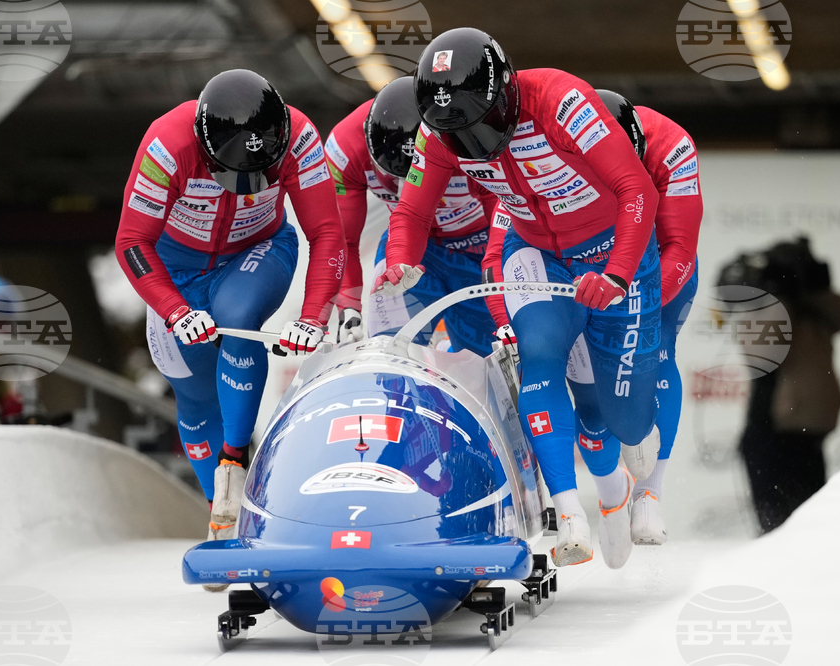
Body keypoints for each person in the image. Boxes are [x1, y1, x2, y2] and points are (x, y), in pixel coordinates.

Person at [372, 28, 662, 569]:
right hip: (537, 254)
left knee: (626, 420)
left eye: (476, 126)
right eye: (454, 132)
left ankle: (620, 478)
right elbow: (410, 211)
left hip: (614, 257)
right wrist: (401, 260)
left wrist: (620, 273)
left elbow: (636, 191)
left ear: (505, 94)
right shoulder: (440, 135)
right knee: (539, 356)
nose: (468, 143)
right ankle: (569, 510)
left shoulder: (562, 101)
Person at [115, 70, 345, 555]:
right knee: (193, 391)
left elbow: (327, 233)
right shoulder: (166, 145)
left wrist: (313, 315)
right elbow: (132, 242)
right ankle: (224, 513)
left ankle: (235, 459)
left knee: (236, 316)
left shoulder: (301, 138)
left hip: (258, 251)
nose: (244, 188)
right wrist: (175, 310)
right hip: (176, 272)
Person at [484, 90, 703, 549]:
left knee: (655, 342)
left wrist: (631, 300)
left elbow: (681, 246)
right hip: (581, 268)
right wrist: (506, 319)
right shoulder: (546, 153)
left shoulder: (672, 145)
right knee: (588, 400)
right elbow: (498, 251)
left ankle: (650, 493)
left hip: (650, 265)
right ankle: (605, 495)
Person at [326, 75, 498, 354]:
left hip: (479, 247)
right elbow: (343, 241)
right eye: (394, 179)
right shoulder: (345, 147)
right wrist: (349, 306)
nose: (407, 189)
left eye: (420, 177)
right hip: (407, 252)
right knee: (389, 354)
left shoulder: (470, 139)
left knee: (483, 363)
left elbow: (506, 217)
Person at [718, 237, 840, 533]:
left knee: (804, 526)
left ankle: (797, 570)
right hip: (775, 430)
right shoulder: (771, 308)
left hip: (796, 433)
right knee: (780, 526)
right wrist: (774, 295)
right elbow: (763, 353)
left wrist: (805, 289)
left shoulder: (812, 310)